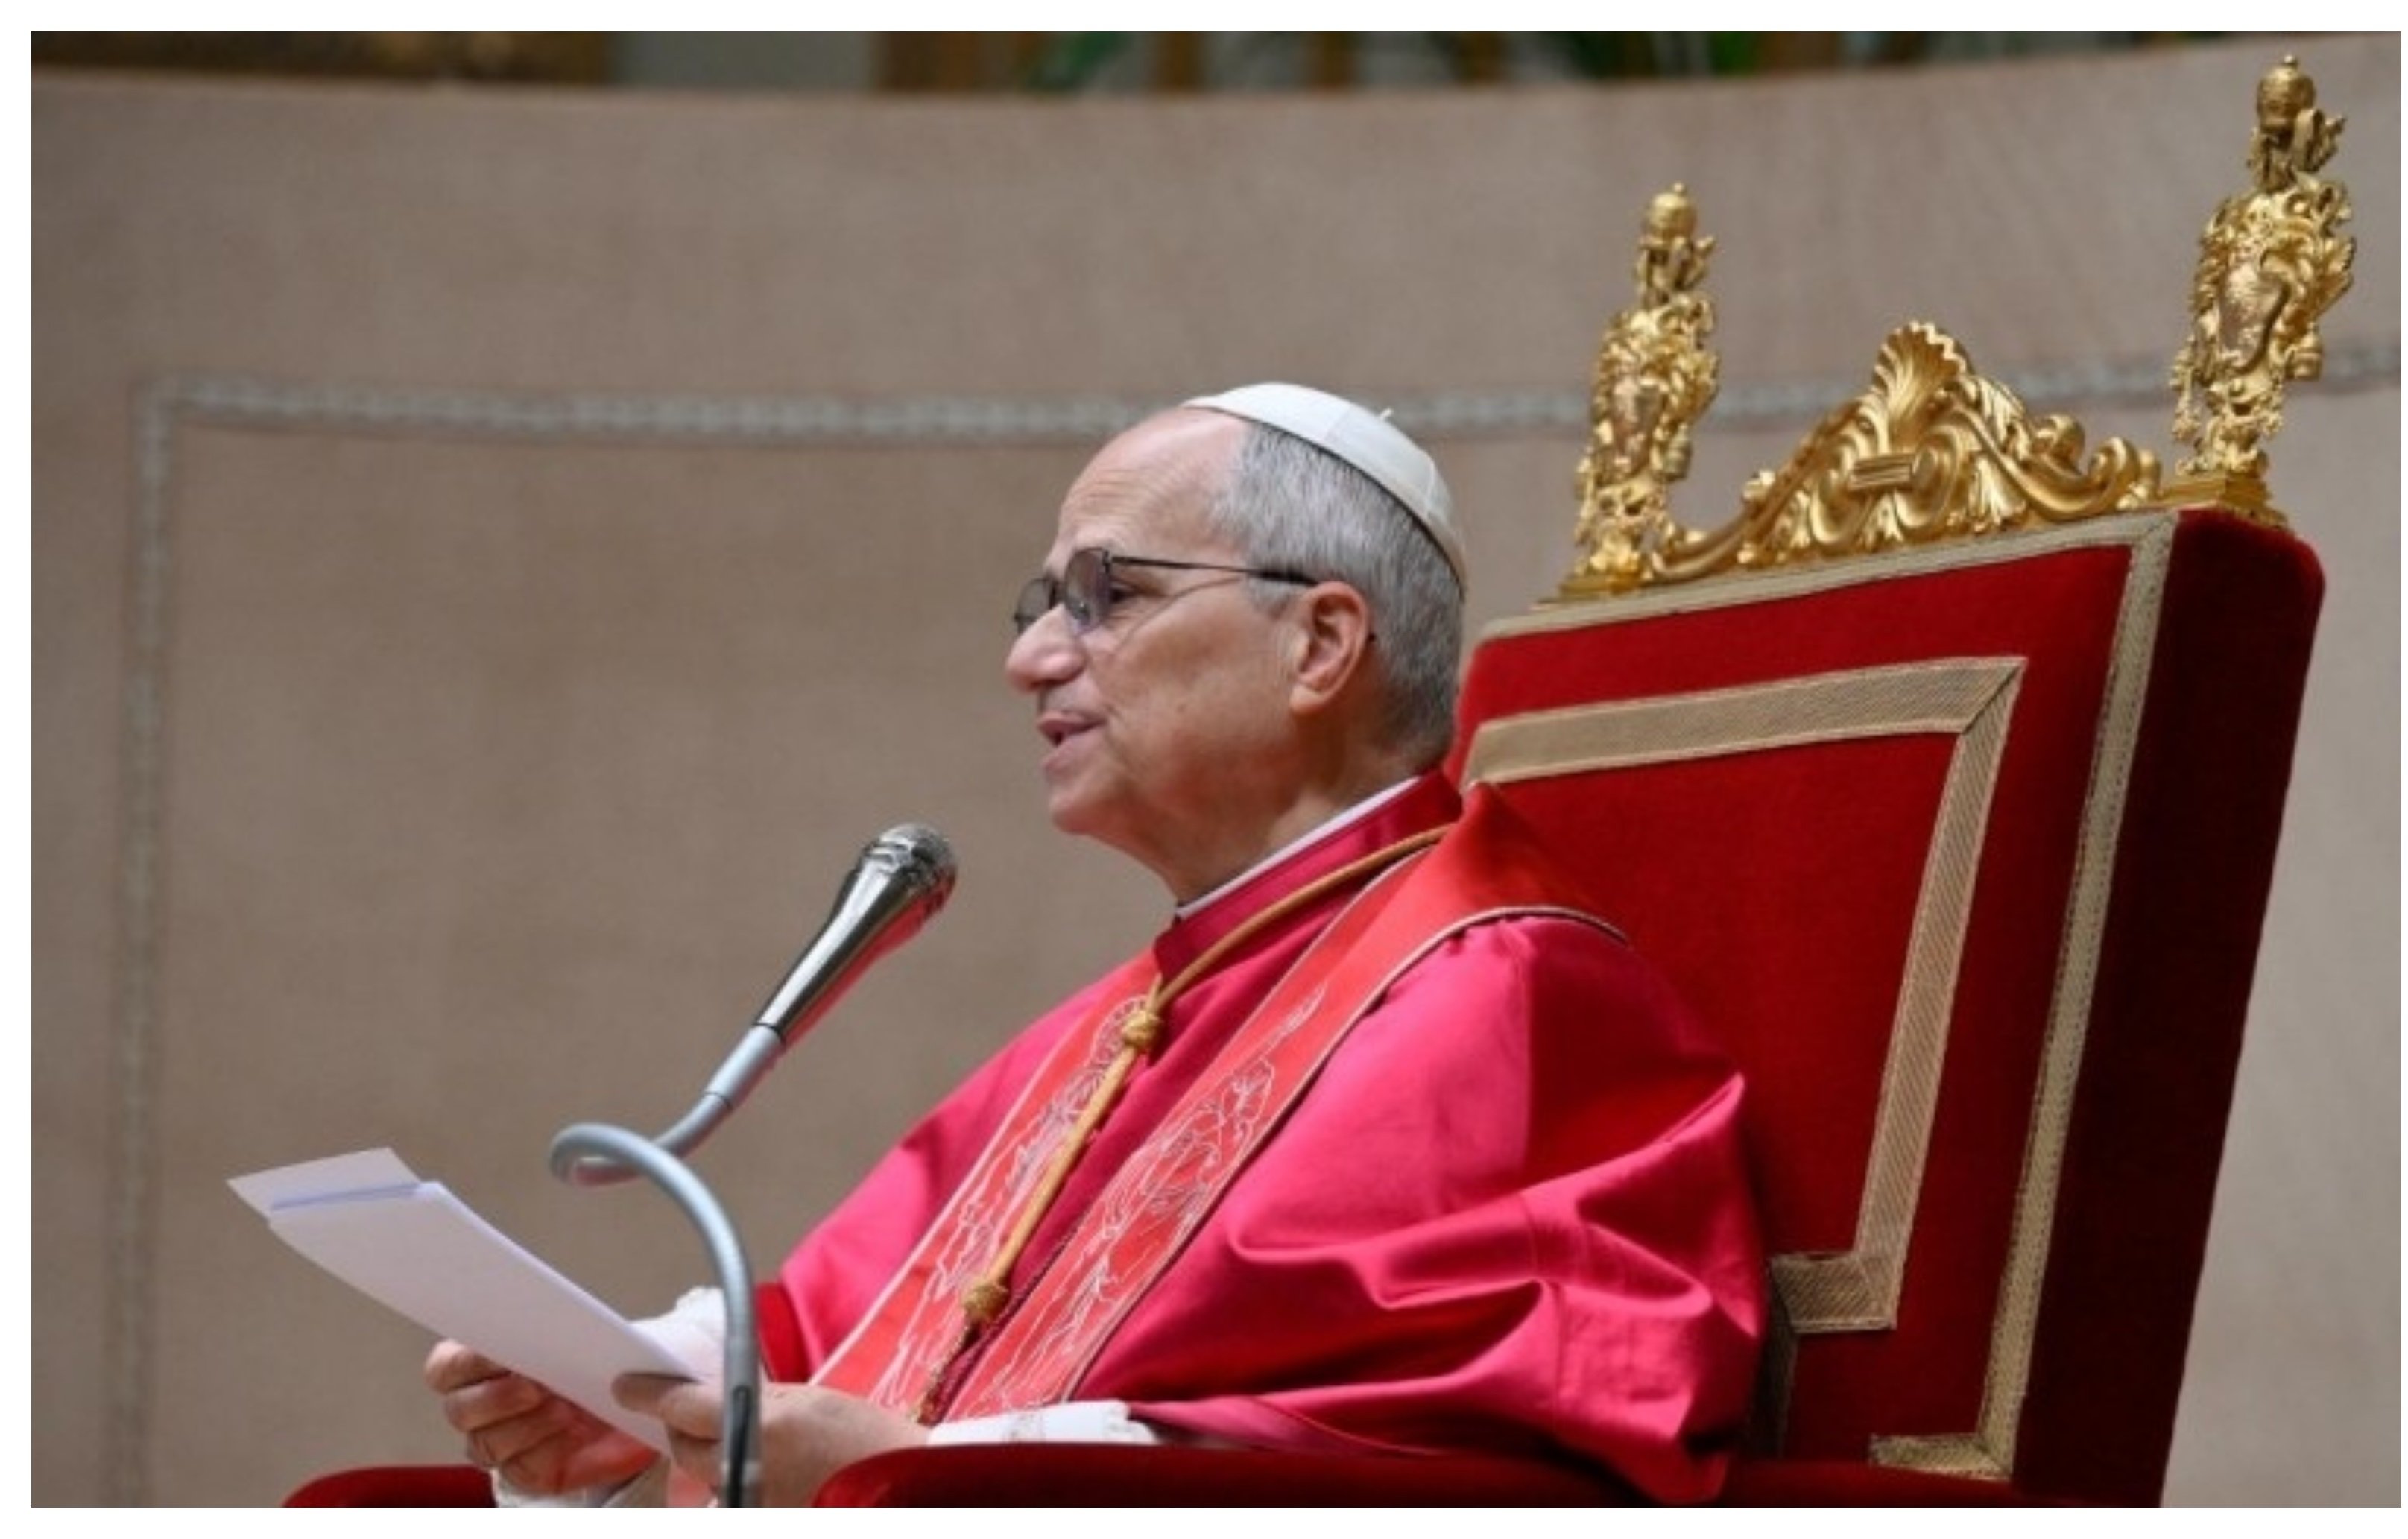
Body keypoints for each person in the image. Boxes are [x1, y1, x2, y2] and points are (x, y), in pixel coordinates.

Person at [426, 382, 1766, 1506]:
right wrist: (637, 1389)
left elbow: (1465, 1469)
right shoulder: (1136, 1011)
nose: (1033, 661)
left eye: (1107, 594)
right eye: (1045, 602)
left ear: (1320, 643)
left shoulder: (1507, 991)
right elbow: (858, 1321)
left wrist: (928, 1484)